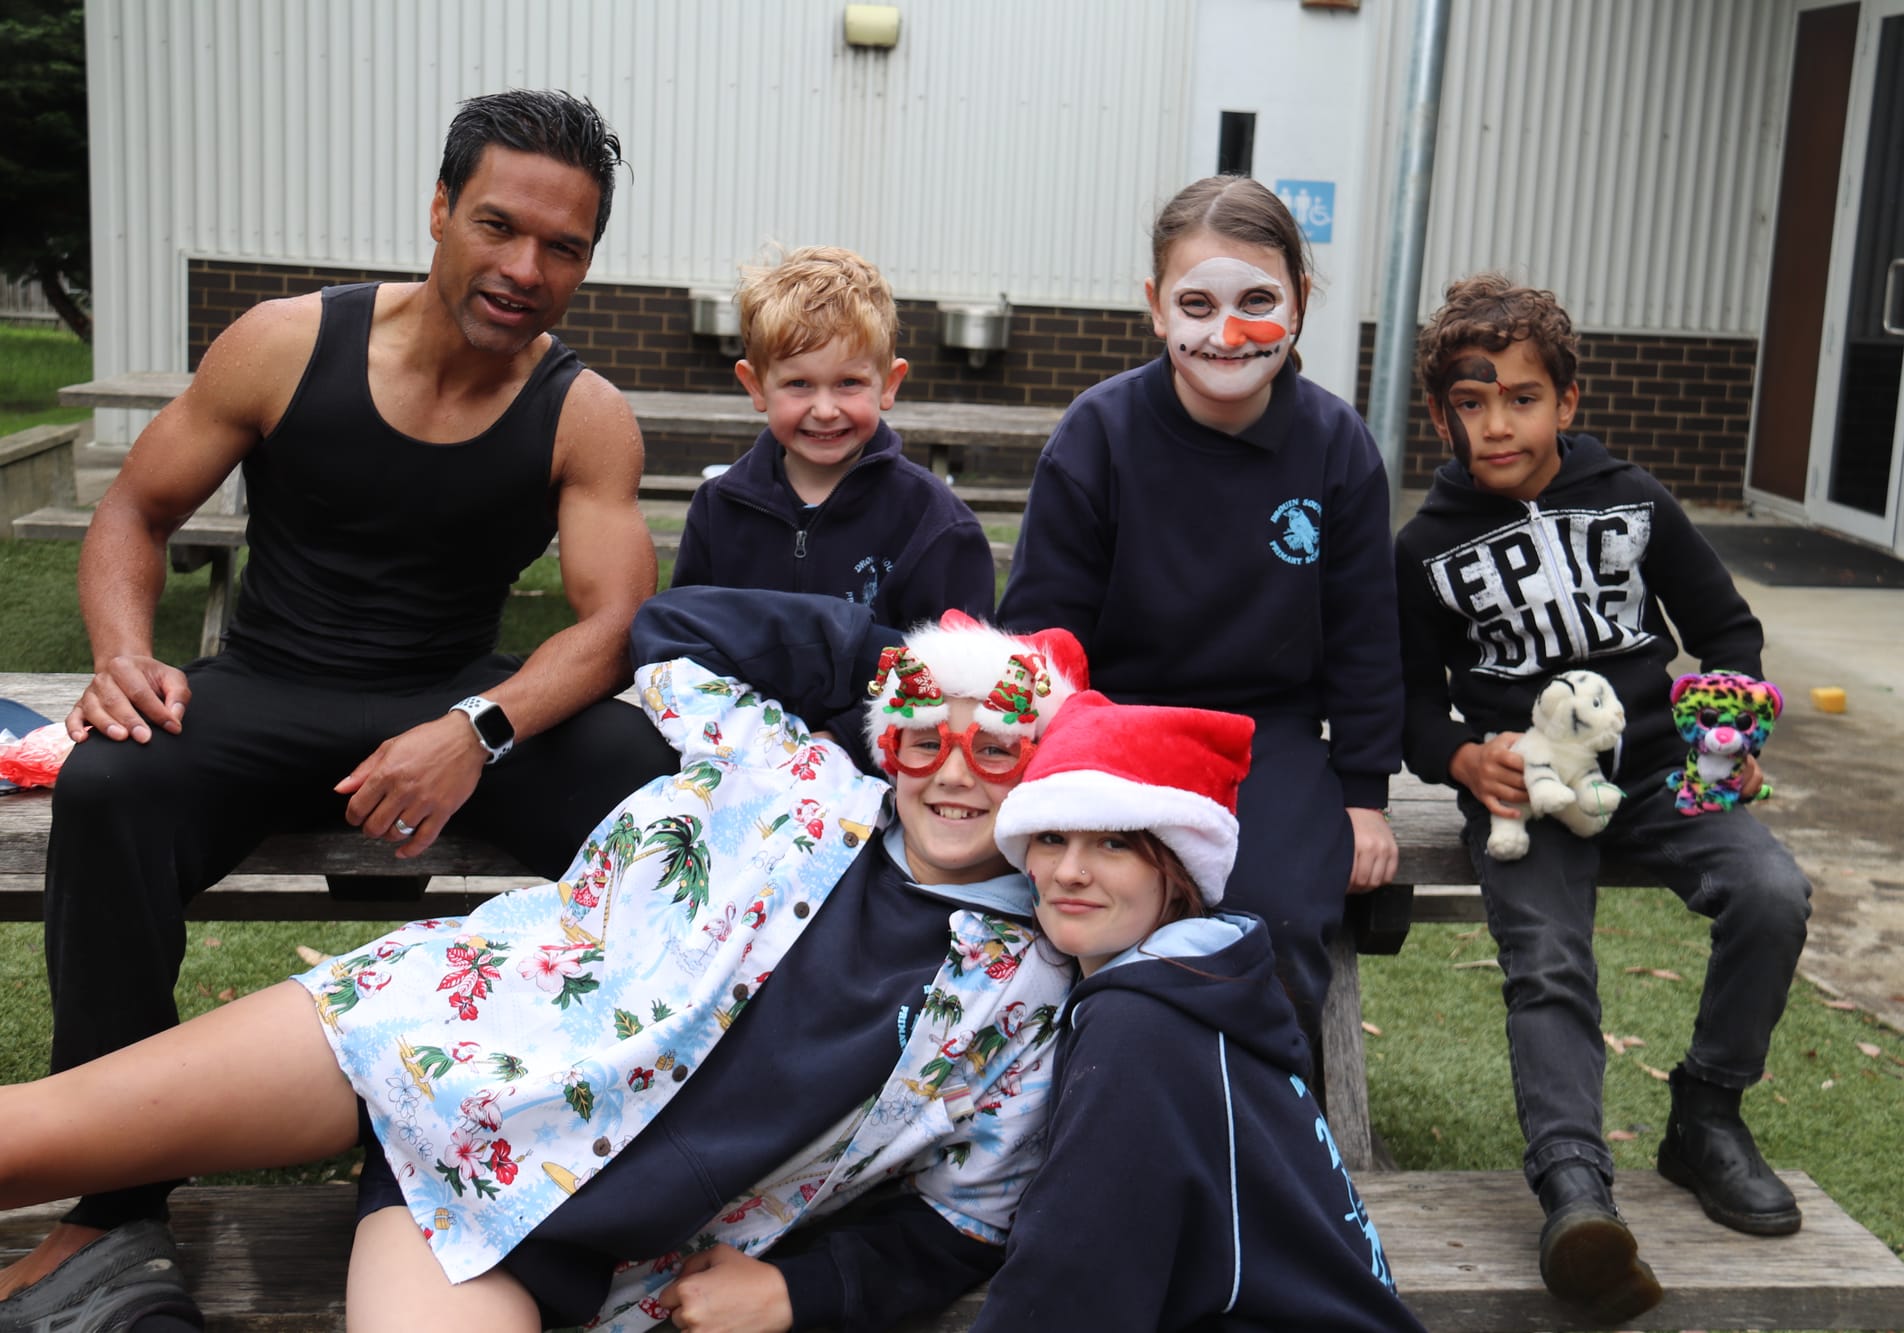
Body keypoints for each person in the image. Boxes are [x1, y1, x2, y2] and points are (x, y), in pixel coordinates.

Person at [1, 90, 673, 1330]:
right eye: (498, 225)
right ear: (437, 210)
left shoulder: (581, 411)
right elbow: (135, 512)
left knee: (655, 795)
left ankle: (579, 1152)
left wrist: (473, 731)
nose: (525, 269)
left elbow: (607, 628)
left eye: (563, 247)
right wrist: (119, 653)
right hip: (267, 688)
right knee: (111, 783)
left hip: (445, 706)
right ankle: (114, 1203)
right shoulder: (285, 342)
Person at [0, 587, 1089, 1333]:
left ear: (1045, 765)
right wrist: (902, 658)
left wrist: (803, 1293)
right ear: (881, 736)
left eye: (997, 744)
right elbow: (673, 627)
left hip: (510, 1229)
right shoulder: (793, 780)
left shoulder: (1027, 987)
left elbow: (967, 1216)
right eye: (920, 734)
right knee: (29, 1136)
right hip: (422, 1034)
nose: (954, 772)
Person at [1395, 273, 1813, 1322]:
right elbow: (1402, 703)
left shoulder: (1633, 498)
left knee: (1770, 891)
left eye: (1520, 397)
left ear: (1566, 401)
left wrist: (1735, 728)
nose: (1495, 424)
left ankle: (1706, 1117)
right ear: (1440, 412)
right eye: (1469, 402)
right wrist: (1459, 760)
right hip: (1529, 793)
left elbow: (1726, 632)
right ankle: (1574, 1190)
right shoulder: (1423, 549)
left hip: (1665, 770)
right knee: (1545, 963)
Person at [997, 175, 1403, 1069]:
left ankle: (1268, 1129)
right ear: (1154, 308)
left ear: (1300, 302)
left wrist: (1364, 794)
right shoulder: (1097, 435)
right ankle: (1083, 1110)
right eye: (1197, 303)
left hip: (1272, 737)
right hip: (1117, 723)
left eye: (1259, 300)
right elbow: (1041, 631)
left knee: (1279, 920)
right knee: (1083, 905)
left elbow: (1368, 631)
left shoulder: (1337, 447)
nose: (1227, 332)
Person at [970, 691, 1427, 1331]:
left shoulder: (1137, 1027)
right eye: (1050, 838)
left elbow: (1070, 1287)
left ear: (1179, 871)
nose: (1070, 871)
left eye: (1112, 844)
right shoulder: (1209, 973)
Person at [671, 245, 995, 626]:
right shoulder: (718, 510)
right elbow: (688, 634)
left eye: (848, 383)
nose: (825, 410)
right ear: (756, 386)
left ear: (889, 384)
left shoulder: (934, 522)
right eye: (799, 383)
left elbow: (963, 669)